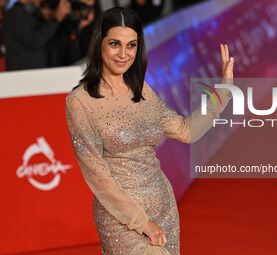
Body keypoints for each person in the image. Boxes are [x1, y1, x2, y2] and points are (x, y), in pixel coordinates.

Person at [65, 7, 234, 255]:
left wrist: (223, 92)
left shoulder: (142, 90)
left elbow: (185, 131)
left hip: (162, 204)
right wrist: (142, 223)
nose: (123, 54)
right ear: (99, 43)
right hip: (121, 219)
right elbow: (97, 176)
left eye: (131, 45)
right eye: (114, 44)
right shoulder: (80, 102)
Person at [1, 0, 70, 71]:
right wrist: (56, 18)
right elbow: (35, 40)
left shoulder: (32, 13)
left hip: (36, 72)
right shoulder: (14, 15)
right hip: (23, 75)